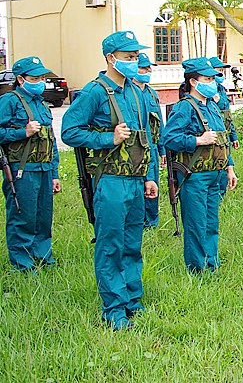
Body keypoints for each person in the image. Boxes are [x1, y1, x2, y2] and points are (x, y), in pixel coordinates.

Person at [62, 31, 158, 330]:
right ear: (110, 58)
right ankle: (114, 308)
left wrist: (149, 177)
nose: (134, 62)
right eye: (128, 58)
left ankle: (132, 299)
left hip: (136, 179)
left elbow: (147, 139)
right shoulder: (93, 92)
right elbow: (69, 131)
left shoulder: (137, 92)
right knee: (110, 245)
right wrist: (107, 137)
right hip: (111, 180)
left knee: (132, 243)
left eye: (135, 57)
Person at [161, 58, 239, 273]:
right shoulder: (185, 107)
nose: (212, 82)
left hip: (215, 173)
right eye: (207, 79)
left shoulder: (212, 106)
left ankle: (211, 264)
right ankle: (197, 268)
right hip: (194, 175)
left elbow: (222, 140)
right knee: (196, 224)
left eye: (213, 78)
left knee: (211, 223)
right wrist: (197, 140)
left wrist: (229, 167)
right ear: (193, 82)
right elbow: (169, 138)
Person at [0, 56, 61, 271]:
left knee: (44, 217)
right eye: (35, 78)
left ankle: (44, 258)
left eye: (42, 77)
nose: (40, 81)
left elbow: (50, 140)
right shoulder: (9, 101)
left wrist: (54, 173)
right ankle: (23, 264)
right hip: (21, 170)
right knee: (22, 216)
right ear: (20, 79)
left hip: (44, 168)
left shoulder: (42, 104)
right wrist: (21, 132)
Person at [131, 53, 164, 228]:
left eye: (148, 68)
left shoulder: (152, 93)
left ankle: (151, 221)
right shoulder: (130, 92)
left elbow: (159, 123)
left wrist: (162, 149)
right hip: (136, 146)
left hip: (152, 145)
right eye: (143, 68)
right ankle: (138, 219)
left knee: (153, 182)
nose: (148, 71)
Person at [209, 57, 241, 152]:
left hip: (225, 133)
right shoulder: (207, 92)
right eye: (219, 70)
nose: (221, 73)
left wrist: (233, 136)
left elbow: (227, 115)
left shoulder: (221, 89)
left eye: (222, 70)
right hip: (214, 134)